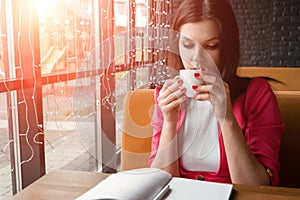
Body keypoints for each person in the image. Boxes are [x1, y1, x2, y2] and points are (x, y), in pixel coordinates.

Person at [148, 0, 284, 186]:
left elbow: (259, 188)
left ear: (226, 48)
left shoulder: (257, 95)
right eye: (187, 45)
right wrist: (170, 123)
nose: (196, 58)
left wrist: (227, 118)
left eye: (211, 46)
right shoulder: (164, 96)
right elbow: (160, 183)